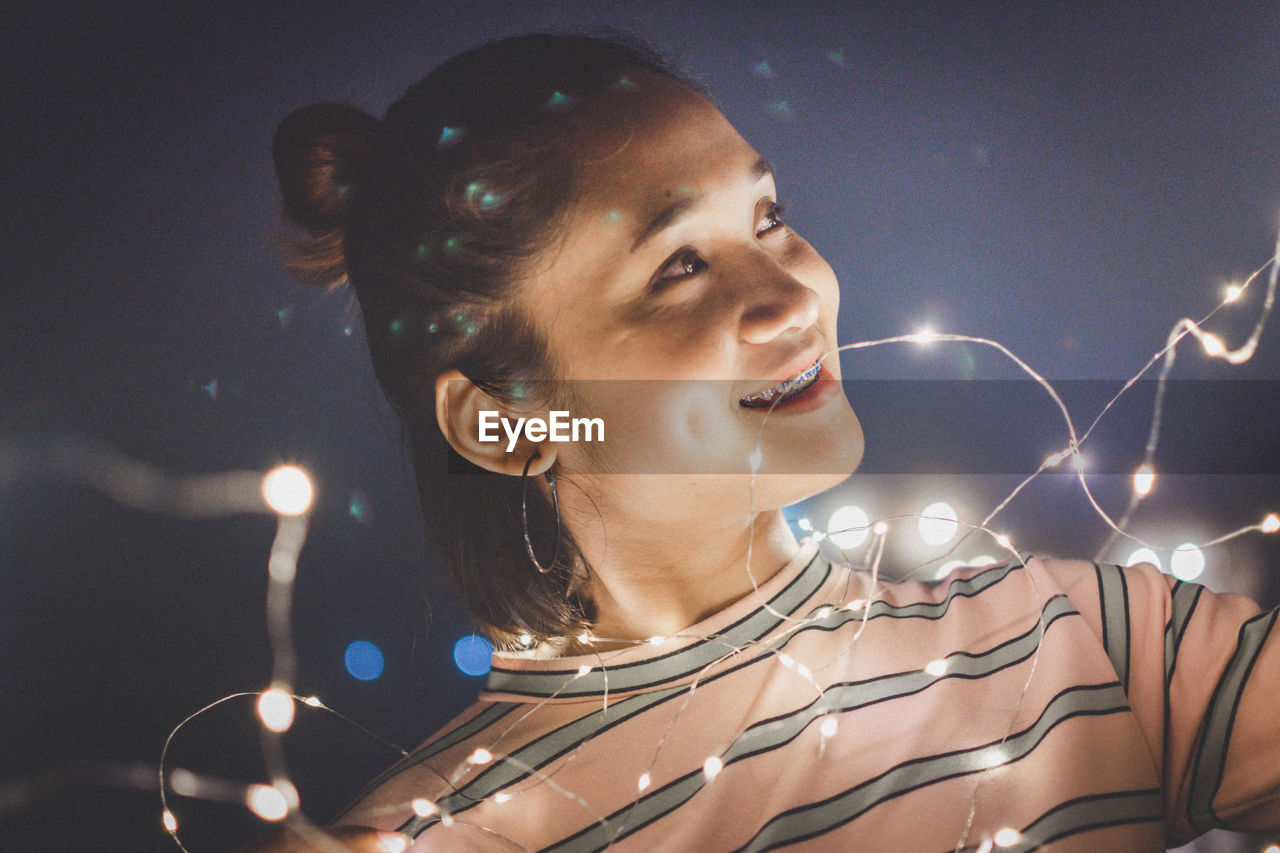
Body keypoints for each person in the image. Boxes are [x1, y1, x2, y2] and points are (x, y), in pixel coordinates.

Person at [256, 33, 1279, 852]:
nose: (791, 294)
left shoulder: (1091, 643)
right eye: (679, 267)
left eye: (770, 215)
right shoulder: (443, 835)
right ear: (506, 423)